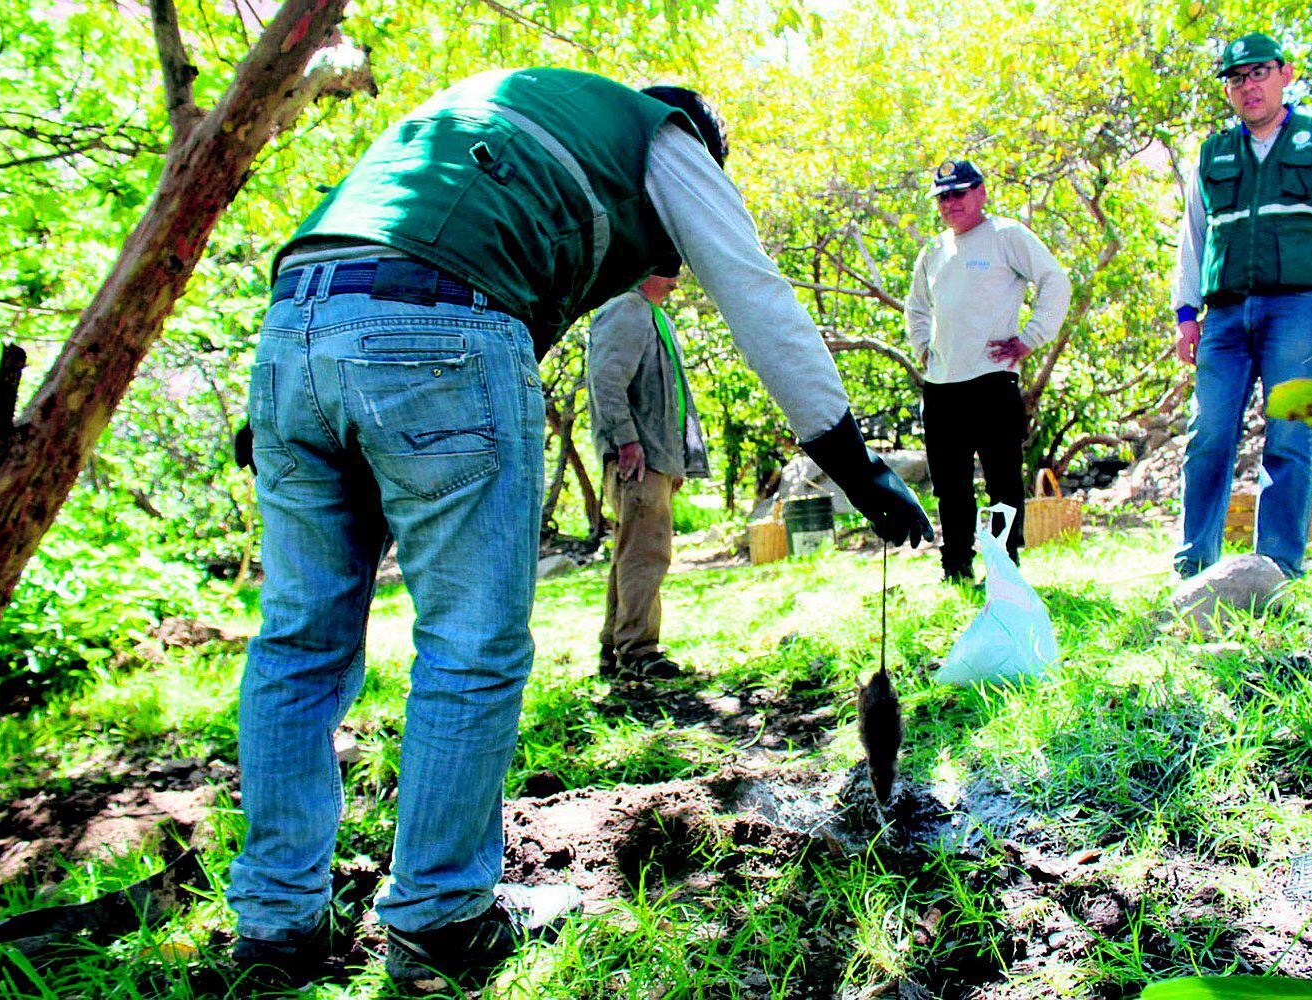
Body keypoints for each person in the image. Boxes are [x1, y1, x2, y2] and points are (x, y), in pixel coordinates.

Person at [229, 67, 931, 989]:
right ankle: (440, 919)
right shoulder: (662, 138)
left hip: (293, 329)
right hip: (435, 319)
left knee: (298, 641)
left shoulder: (494, 116)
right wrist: (854, 462)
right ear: (696, 141)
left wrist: (298, 400)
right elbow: (757, 298)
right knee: (470, 643)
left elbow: (374, 243)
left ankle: (275, 925)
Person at [1172, 33, 1312, 578]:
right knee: (1209, 435)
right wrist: (1186, 313)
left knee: (1290, 435)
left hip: (1301, 309)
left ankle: (1277, 569)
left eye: (1258, 73)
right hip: (1226, 316)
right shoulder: (1214, 152)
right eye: (1236, 78)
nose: (1247, 86)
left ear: (1285, 75)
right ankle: (1194, 567)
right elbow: (1194, 236)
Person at [905, 159, 1071, 580]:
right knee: (950, 486)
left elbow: (1054, 280)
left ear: (980, 192)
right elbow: (916, 306)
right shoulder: (934, 250)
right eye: (942, 197)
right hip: (942, 386)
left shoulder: (1006, 235)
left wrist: (1031, 337)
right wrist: (923, 347)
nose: (950, 203)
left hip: (992, 379)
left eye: (958, 193)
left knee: (1003, 482)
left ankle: (1003, 566)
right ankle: (956, 569)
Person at [587, 273, 708, 680]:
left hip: (654, 458)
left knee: (633, 552)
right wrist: (626, 441)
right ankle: (639, 652)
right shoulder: (626, 309)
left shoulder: (654, 315)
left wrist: (673, 461)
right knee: (646, 553)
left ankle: (616, 646)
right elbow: (606, 381)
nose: (678, 274)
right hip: (637, 459)